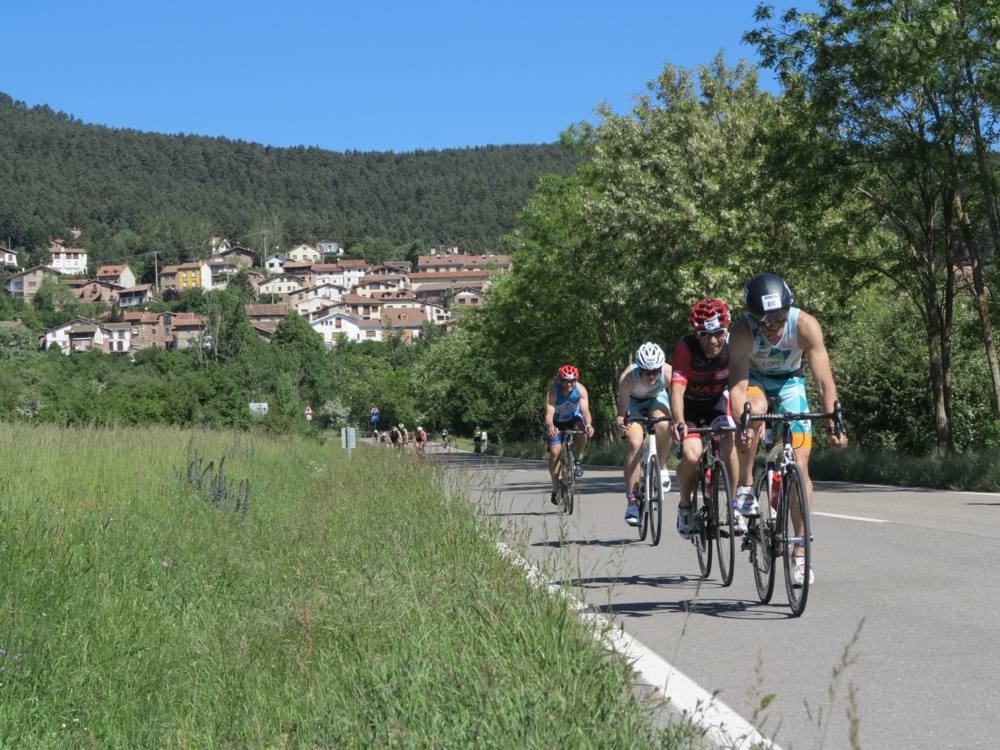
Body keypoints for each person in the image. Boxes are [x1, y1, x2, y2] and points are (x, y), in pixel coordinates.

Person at [729, 273, 849, 586]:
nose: (772, 324)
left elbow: (824, 381)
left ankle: (799, 552)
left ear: (789, 307)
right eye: (765, 319)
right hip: (754, 383)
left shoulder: (805, 325)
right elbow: (738, 385)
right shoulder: (742, 330)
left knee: (800, 463)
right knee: (753, 412)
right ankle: (744, 487)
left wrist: (835, 421)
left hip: (790, 383)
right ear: (753, 316)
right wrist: (743, 420)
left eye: (779, 317)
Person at [670, 299, 739, 539]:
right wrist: (678, 421)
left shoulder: (733, 347)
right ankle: (685, 507)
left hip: (717, 404)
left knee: (729, 440)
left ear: (726, 330)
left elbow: (741, 385)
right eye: (705, 335)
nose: (712, 341)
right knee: (691, 454)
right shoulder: (685, 348)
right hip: (689, 407)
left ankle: (734, 504)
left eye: (718, 333)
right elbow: (677, 390)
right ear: (696, 333)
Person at [616, 342, 673, 527]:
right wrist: (621, 423)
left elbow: (679, 396)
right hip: (633, 404)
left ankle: (662, 466)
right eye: (646, 372)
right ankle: (632, 502)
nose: (651, 375)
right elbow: (622, 411)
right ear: (639, 369)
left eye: (655, 371)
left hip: (657, 399)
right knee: (635, 442)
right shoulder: (628, 378)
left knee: (664, 424)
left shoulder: (668, 373)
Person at [544, 364, 596, 504]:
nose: (570, 384)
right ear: (560, 380)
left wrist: (589, 425)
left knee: (582, 429)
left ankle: (577, 458)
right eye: (566, 381)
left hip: (574, 419)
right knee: (555, 452)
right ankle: (555, 487)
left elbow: (585, 412)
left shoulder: (580, 390)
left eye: (573, 380)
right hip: (557, 422)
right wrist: (550, 426)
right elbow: (549, 413)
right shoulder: (553, 392)